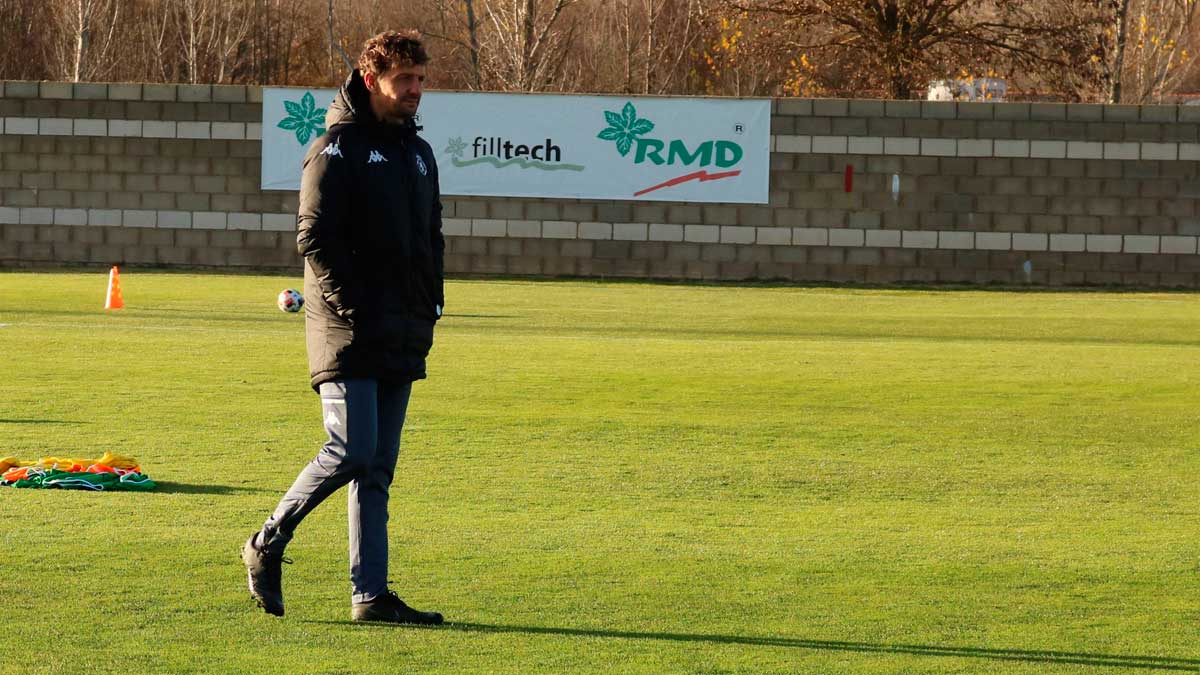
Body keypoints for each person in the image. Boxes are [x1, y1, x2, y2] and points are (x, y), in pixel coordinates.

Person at [242, 30, 445, 625]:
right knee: (350, 450)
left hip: (401, 329)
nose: (415, 90)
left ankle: (370, 594)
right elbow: (314, 238)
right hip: (347, 329)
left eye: (420, 79)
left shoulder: (417, 152)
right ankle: (266, 544)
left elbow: (429, 239)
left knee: (377, 466)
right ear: (372, 79)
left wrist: (430, 303)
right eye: (404, 79)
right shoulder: (337, 146)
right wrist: (353, 308)